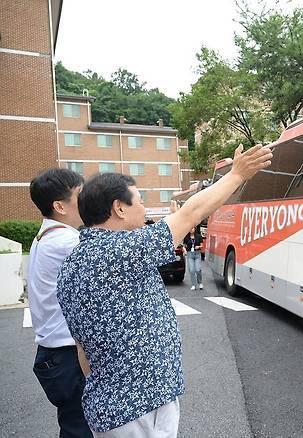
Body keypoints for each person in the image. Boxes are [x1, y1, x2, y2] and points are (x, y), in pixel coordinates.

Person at [56, 144, 272, 437]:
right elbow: (191, 213)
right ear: (119, 208)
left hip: (112, 407)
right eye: (139, 201)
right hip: (139, 410)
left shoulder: (72, 265)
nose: (145, 210)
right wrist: (236, 174)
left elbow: (83, 350)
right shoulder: (120, 250)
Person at [27, 168, 93, 438]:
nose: (88, 200)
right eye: (81, 195)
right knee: (82, 429)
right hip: (67, 356)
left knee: (75, 424)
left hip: (54, 355)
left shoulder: (46, 237)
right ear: (59, 206)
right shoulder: (66, 241)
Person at [183, 226, 203, 290]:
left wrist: (199, 246)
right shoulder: (186, 237)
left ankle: (200, 283)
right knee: (191, 270)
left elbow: (202, 245)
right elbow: (184, 246)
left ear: (195, 229)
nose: (191, 230)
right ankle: (193, 285)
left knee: (198, 269)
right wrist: (185, 251)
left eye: (192, 228)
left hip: (197, 254)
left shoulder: (198, 236)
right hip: (189, 254)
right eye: (190, 228)